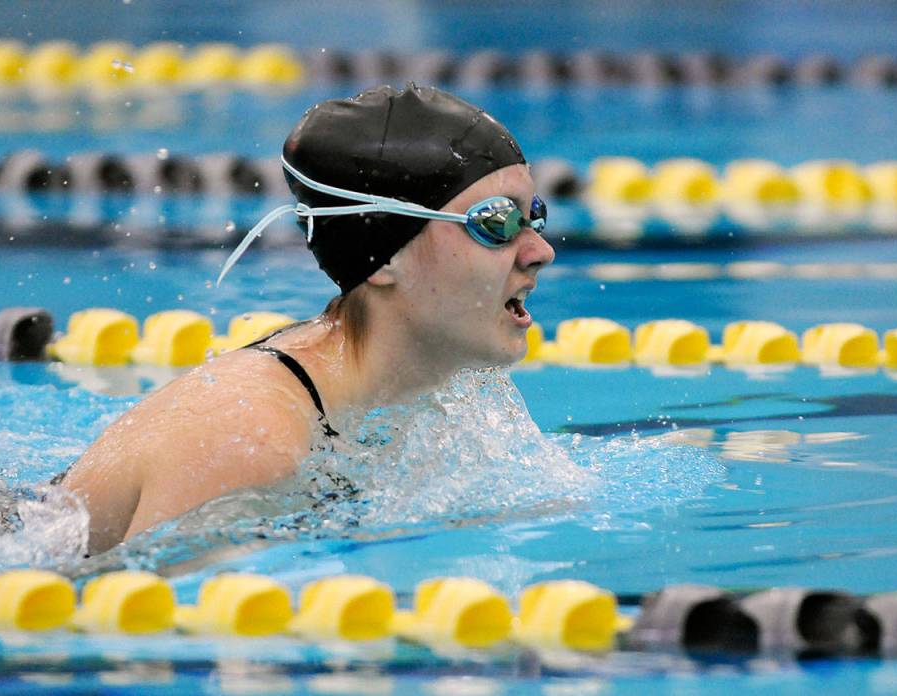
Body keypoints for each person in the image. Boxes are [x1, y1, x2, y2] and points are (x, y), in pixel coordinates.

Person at [59, 84, 555, 554]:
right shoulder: (251, 441)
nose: (540, 251)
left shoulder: (404, 385)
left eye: (534, 215)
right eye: (497, 223)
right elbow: (141, 616)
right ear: (384, 257)